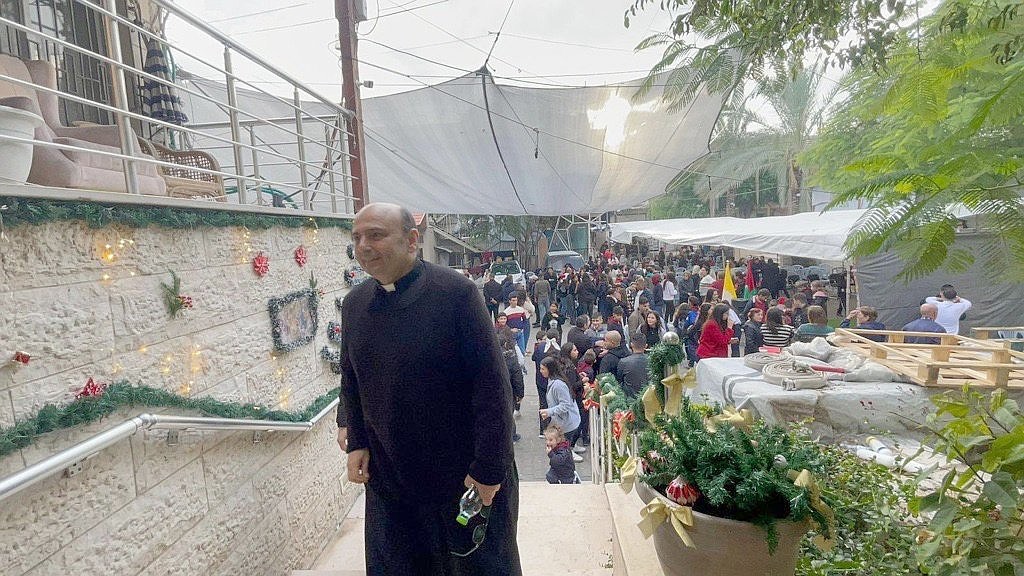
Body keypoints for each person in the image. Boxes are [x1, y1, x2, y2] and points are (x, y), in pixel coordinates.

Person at [337, 203, 520, 575]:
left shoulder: (457, 295)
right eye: (357, 237)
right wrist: (357, 439)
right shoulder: (355, 304)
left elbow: (492, 388)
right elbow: (351, 378)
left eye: (376, 235)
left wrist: (488, 470)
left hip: (463, 477)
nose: (364, 246)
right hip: (393, 481)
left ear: (411, 240)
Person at [539, 356, 581, 463]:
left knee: (563, 448)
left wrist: (549, 412)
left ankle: (568, 459)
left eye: (543, 369)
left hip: (567, 422)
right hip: (564, 421)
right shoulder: (553, 381)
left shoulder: (558, 385)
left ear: (550, 369)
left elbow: (565, 405)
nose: (541, 371)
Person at [499, 336, 524, 443]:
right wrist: (520, 394)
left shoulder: (487, 357)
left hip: (492, 392)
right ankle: (512, 435)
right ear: (505, 344)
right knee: (508, 413)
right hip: (508, 391)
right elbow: (518, 378)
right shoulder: (511, 358)